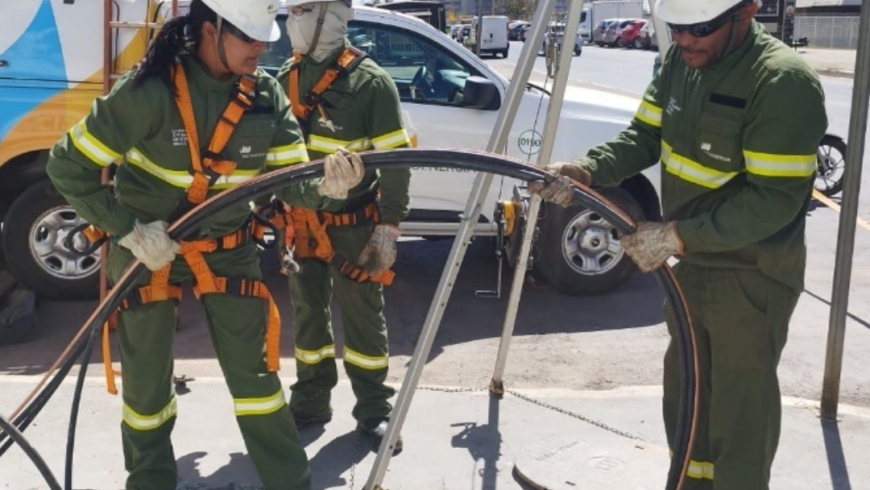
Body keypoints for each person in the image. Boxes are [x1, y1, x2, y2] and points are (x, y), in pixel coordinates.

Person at [42, 0, 364, 488]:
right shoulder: (148, 94)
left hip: (228, 247)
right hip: (148, 251)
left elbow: (290, 181)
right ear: (210, 30)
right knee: (146, 390)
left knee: (256, 383)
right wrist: (125, 228)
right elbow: (67, 165)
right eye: (250, 36)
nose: (262, 46)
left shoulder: (265, 97)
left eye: (264, 37)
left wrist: (327, 184)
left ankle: (290, 483)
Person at [530, 0, 826, 488]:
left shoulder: (780, 82)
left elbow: (773, 202)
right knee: (688, 402)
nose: (685, 39)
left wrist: (676, 236)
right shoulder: (678, 64)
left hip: (748, 277)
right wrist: (587, 170)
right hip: (687, 268)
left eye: (701, 28)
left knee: (739, 417)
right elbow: (644, 136)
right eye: (677, 27)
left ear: (747, 11)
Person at [274, 0, 412, 454]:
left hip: (354, 225)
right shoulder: (284, 80)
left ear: (330, 17)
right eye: (291, 13)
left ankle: (375, 411)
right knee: (308, 314)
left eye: (303, 12)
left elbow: (396, 163)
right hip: (301, 222)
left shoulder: (371, 84)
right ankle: (312, 400)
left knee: (363, 319)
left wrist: (388, 227)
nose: (293, 22)